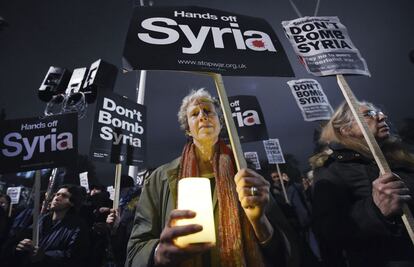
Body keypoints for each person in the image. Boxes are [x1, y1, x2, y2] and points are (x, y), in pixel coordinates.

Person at [126, 89, 298, 267]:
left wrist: (259, 221)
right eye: (194, 114)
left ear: (220, 123)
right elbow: (134, 252)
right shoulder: (159, 179)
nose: (202, 116)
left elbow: (287, 253)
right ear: (188, 130)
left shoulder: (246, 173)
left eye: (208, 111)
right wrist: (157, 252)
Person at [309, 101, 414, 267]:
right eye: (369, 114)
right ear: (345, 129)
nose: (382, 116)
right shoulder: (332, 170)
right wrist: (375, 210)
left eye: (379, 112)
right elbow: (328, 231)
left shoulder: (402, 155)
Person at [13, 184, 90, 267]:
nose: (56, 198)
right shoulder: (41, 219)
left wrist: (45, 256)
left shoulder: (77, 226)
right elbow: (26, 237)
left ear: (72, 202)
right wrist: (22, 245)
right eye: (57, 194)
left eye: (64, 196)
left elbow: (74, 256)